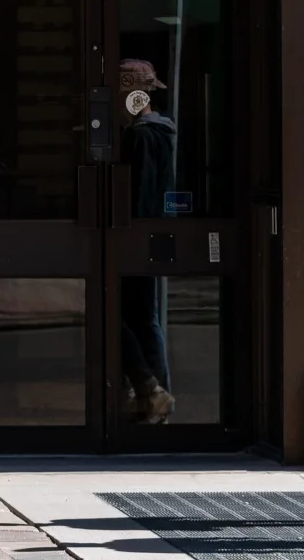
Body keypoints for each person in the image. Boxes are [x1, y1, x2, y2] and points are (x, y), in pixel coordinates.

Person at [118, 58, 177, 422]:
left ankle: (150, 389)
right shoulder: (163, 133)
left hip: (140, 238)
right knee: (143, 317)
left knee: (123, 316)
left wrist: (129, 237)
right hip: (156, 236)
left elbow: (139, 194)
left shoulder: (140, 136)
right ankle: (152, 393)